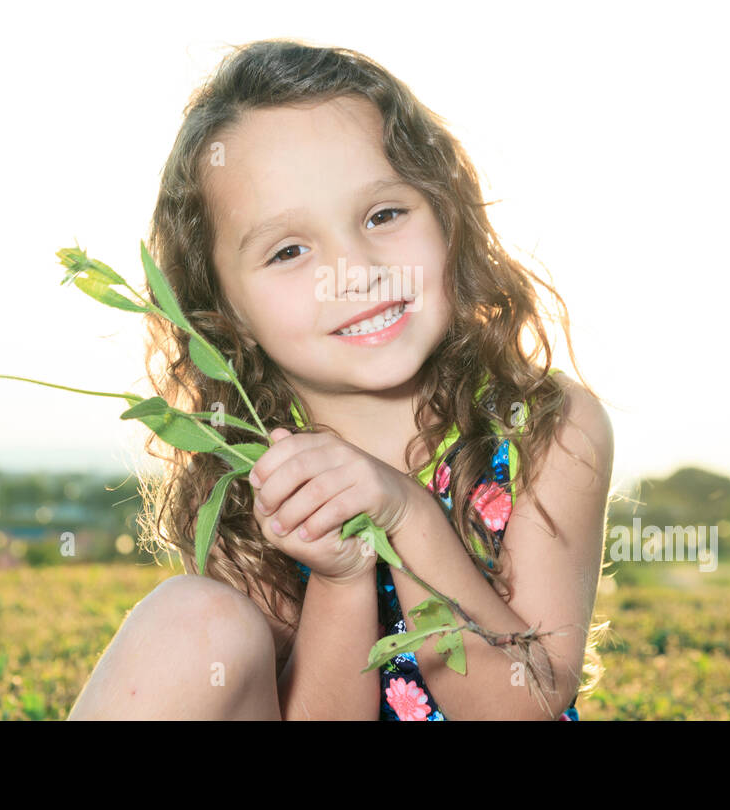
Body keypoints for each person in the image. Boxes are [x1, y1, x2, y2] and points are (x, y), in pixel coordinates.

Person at [68, 39, 614, 720]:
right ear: (226, 310)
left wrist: (406, 514)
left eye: (384, 215)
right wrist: (342, 574)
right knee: (190, 619)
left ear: (447, 213)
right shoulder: (251, 478)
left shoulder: (547, 429)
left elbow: (522, 710)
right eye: (289, 250)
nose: (352, 269)